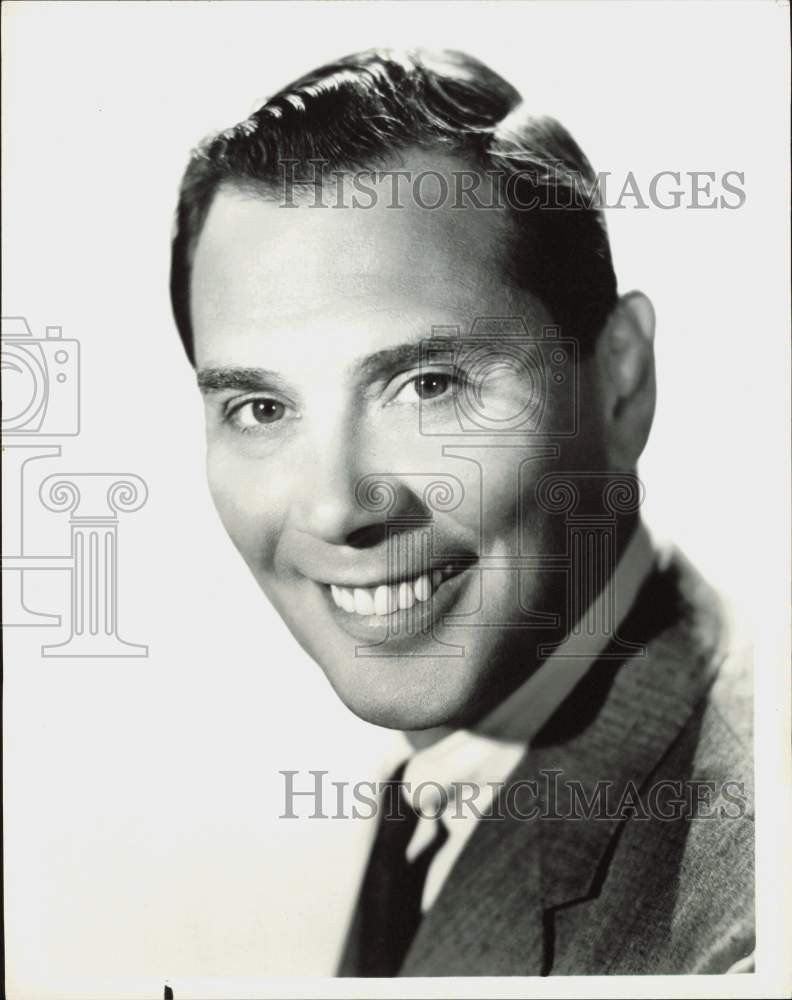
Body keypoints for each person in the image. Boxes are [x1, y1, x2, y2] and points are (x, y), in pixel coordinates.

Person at [169, 48, 754, 976]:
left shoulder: (741, 935)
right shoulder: (452, 777)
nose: (335, 508)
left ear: (619, 385)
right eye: (262, 409)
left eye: (427, 384)